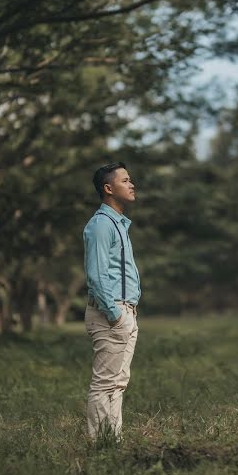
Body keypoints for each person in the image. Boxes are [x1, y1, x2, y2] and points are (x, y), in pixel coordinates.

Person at [83, 162, 141, 439]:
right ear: (108, 188)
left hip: (124, 312)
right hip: (111, 313)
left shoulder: (118, 224)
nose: (132, 185)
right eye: (126, 180)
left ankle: (112, 442)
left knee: (117, 384)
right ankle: (99, 445)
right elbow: (96, 275)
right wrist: (115, 314)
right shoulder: (101, 226)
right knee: (105, 383)